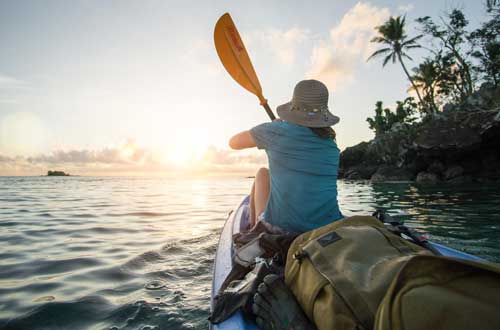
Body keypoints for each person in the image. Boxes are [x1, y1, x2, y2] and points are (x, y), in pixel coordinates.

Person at [229, 79, 343, 234]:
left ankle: (255, 230)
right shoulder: (332, 146)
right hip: (327, 228)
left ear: (293, 107)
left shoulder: (275, 132)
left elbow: (233, 143)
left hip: (282, 229)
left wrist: (271, 128)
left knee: (262, 173)